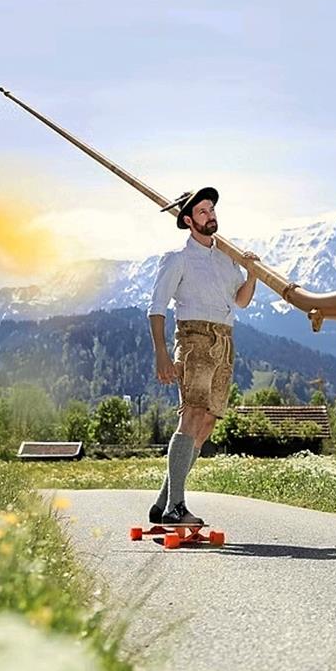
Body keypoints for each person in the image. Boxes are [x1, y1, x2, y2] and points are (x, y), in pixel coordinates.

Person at [146, 186, 259, 525]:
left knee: (207, 423)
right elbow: (156, 308)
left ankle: (163, 504)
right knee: (192, 416)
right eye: (203, 211)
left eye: (212, 209)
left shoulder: (226, 258)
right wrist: (163, 353)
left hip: (224, 340)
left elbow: (240, 300)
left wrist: (252, 274)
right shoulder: (177, 259)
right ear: (188, 220)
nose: (211, 215)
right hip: (193, 338)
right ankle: (176, 506)